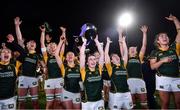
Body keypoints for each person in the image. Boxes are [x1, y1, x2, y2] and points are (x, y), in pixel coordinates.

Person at [150, 14, 180, 109]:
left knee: (178, 102)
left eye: (166, 36)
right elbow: (152, 67)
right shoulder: (155, 52)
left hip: (177, 78)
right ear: (158, 41)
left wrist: (175, 20)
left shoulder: (174, 48)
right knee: (165, 103)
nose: (164, 37)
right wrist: (162, 60)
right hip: (163, 78)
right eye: (162, 36)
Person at [105, 27, 133, 109]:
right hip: (115, 94)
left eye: (117, 56)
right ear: (112, 61)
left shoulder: (123, 65)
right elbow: (106, 54)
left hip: (127, 93)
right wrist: (108, 43)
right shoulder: (110, 68)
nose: (116, 57)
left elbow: (125, 52)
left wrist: (124, 42)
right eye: (114, 56)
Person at [40, 26, 65, 109]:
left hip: (59, 79)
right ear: (48, 49)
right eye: (50, 47)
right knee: (49, 103)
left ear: (57, 47)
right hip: (49, 80)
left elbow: (63, 42)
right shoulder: (46, 56)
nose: (52, 47)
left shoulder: (60, 55)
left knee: (58, 102)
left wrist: (63, 32)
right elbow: (42, 43)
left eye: (54, 46)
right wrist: (43, 32)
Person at [80, 35, 104, 110]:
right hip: (87, 102)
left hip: (99, 101)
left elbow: (102, 54)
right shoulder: (84, 71)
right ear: (87, 63)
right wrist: (84, 43)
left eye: (94, 59)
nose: (93, 61)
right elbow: (82, 54)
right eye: (90, 59)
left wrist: (96, 41)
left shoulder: (99, 69)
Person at [126, 25, 148, 109]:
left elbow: (144, 45)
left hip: (140, 81)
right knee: (132, 105)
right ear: (128, 52)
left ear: (136, 51)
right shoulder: (126, 59)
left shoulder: (139, 57)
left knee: (144, 105)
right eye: (130, 49)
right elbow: (121, 45)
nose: (132, 49)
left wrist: (144, 33)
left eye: (134, 49)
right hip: (129, 82)